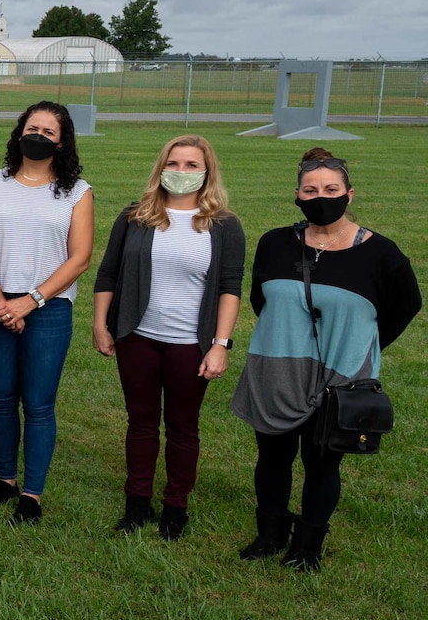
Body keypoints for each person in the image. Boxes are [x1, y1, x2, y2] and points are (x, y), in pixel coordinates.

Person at [231, 148, 419, 571]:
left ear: (349, 195)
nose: (321, 197)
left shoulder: (381, 253)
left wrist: (361, 347)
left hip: (341, 375)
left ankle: (308, 547)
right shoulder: (275, 243)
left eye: (331, 189)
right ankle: (270, 534)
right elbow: (261, 297)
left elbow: (406, 305)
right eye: (311, 189)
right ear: (297, 195)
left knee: (322, 462)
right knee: (273, 457)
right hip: (277, 368)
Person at [91, 135, 244, 541]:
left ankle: (176, 507)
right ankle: (136, 503)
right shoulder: (135, 216)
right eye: (173, 163)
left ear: (207, 171)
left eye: (192, 164)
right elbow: (108, 274)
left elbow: (230, 287)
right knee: (140, 422)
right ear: (161, 168)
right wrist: (100, 323)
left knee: (182, 427)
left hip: (190, 345)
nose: (181, 171)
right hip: (137, 337)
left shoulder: (224, 225)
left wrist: (220, 344)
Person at [0, 102, 94, 525]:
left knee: (38, 404)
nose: (39, 135)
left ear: (62, 141)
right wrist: (1, 300)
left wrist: (30, 301)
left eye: (49, 131)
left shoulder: (77, 192)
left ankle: (32, 495)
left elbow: (80, 258)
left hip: (49, 310)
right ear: (20, 132)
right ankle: (5, 481)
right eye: (32, 127)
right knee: (1, 399)